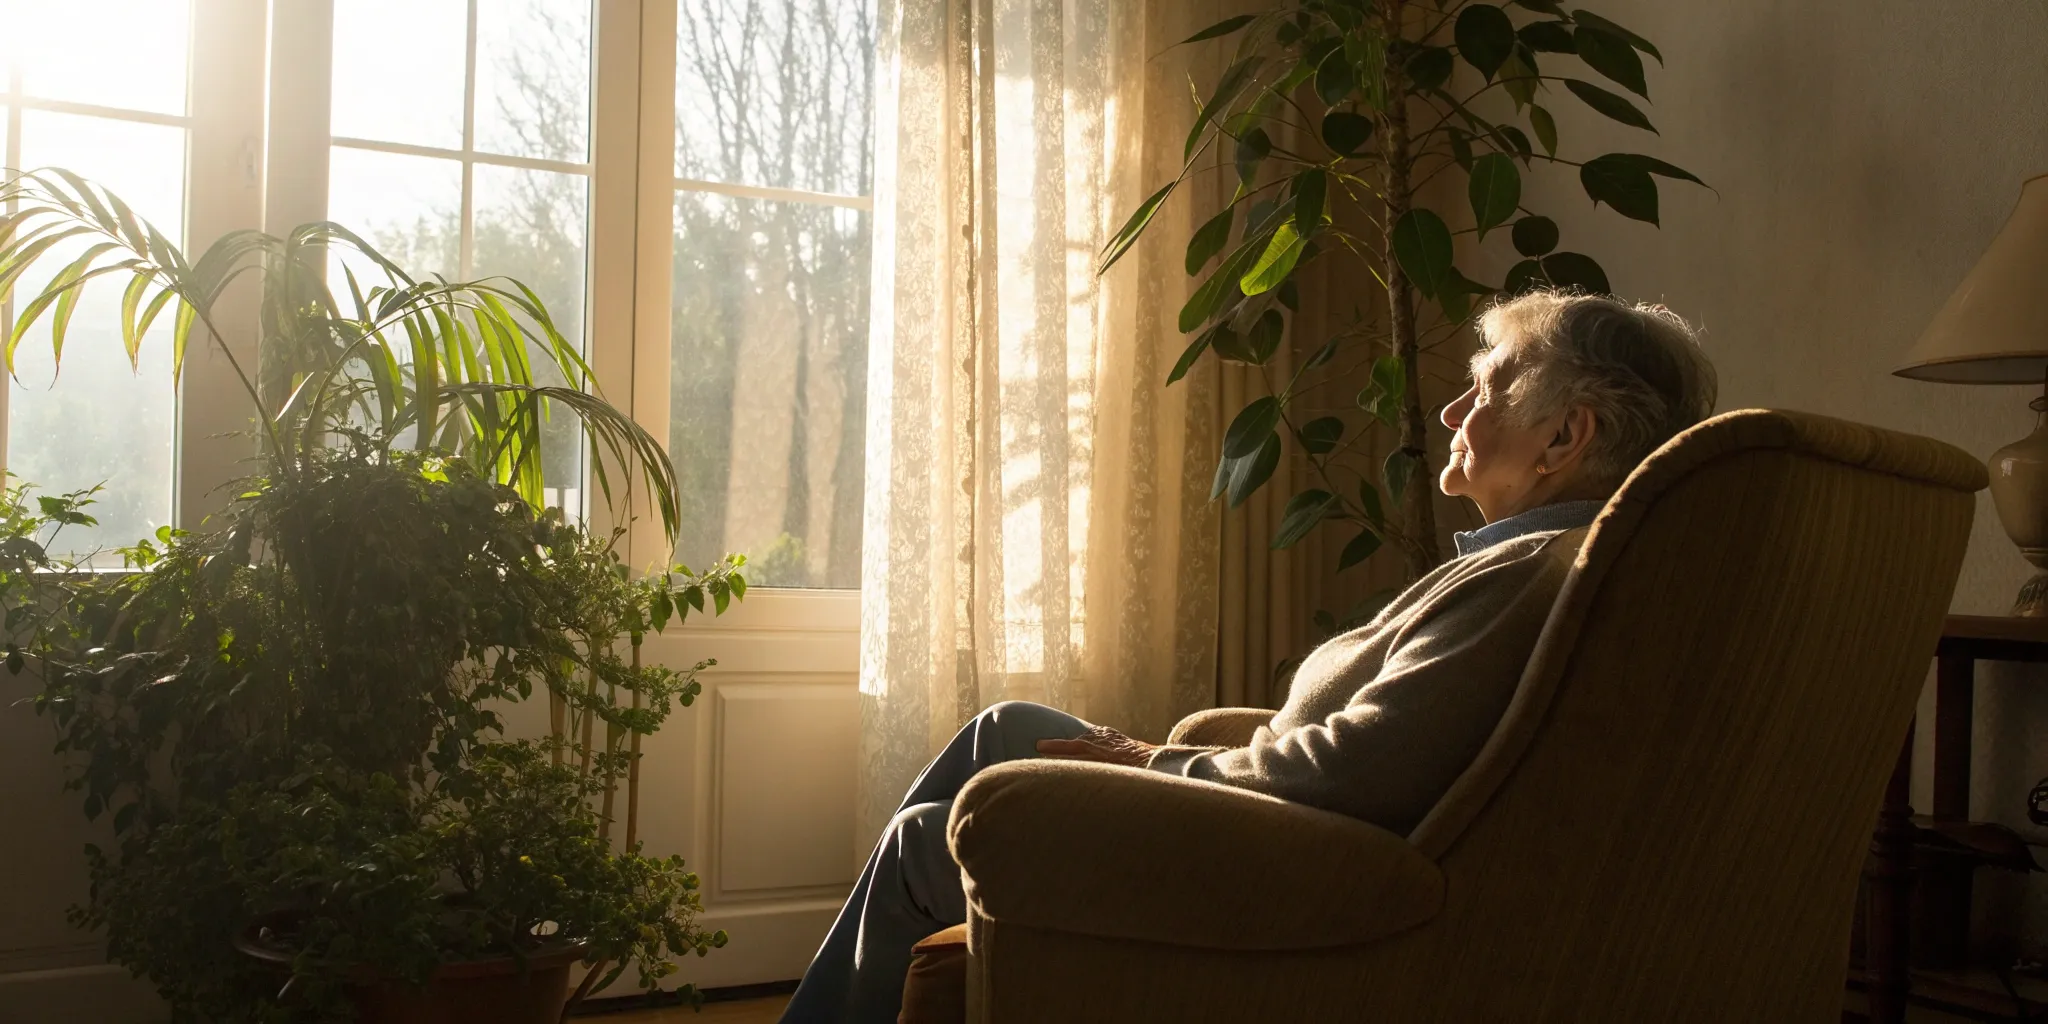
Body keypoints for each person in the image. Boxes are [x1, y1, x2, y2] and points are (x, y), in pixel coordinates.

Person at [778, 290, 1720, 1023]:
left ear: (1565, 436)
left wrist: (1158, 764)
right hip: (1285, 824)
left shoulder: (1530, 573)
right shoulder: (1545, 561)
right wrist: (1173, 762)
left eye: (1486, 388)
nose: (1449, 412)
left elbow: (1357, 771)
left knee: (925, 839)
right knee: (1004, 728)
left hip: (1295, 867)